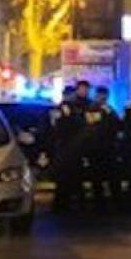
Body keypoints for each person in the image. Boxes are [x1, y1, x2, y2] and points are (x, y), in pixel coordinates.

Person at [51, 81, 89, 213]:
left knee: (68, 177)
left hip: (66, 147)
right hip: (67, 147)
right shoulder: (65, 108)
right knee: (68, 176)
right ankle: (64, 203)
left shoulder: (63, 108)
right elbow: (69, 126)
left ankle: (64, 203)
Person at [86, 86, 120, 206]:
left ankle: (115, 200)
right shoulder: (92, 108)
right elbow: (93, 126)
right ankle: (98, 201)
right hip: (96, 147)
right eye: (101, 95)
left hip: (108, 147)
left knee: (112, 175)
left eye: (105, 96)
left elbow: (117, 124)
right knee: (97, 176)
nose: (103, 98)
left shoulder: (109, 109)